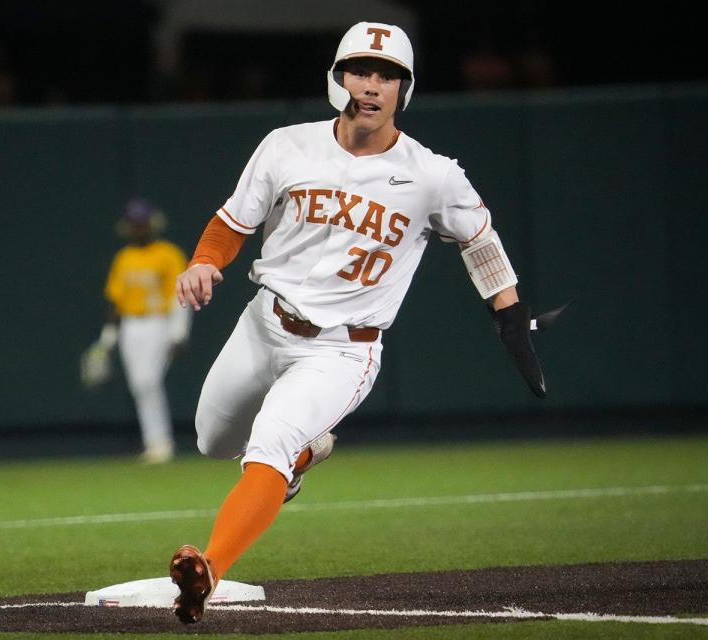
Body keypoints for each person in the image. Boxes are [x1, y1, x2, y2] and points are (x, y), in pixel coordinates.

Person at [167, 21, 548, 624]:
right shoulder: (287, 144)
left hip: (343, 350)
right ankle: (297, 462)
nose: (372, 85)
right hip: (264, 323)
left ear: (405, 90)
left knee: (268, 443)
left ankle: (208, 571)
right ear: (337, 80)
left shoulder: (432, 173)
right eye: (361, 71)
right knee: (212, 440)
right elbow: (230, 223)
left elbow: (481, 242)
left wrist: (510, 320)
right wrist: (204, 262)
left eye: (388, 76)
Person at [81, 198, 190, 464]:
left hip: (159, 323)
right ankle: (155, 442)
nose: (138, 228)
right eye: (134, 224)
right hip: (130, 326)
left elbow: (179, 295)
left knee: (147, 382)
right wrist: (107, 340)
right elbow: (117, 303)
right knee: (139, 386)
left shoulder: (168, 254)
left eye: (142, 223)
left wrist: (179, 332)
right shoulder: (124, 258)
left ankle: (161, 442)